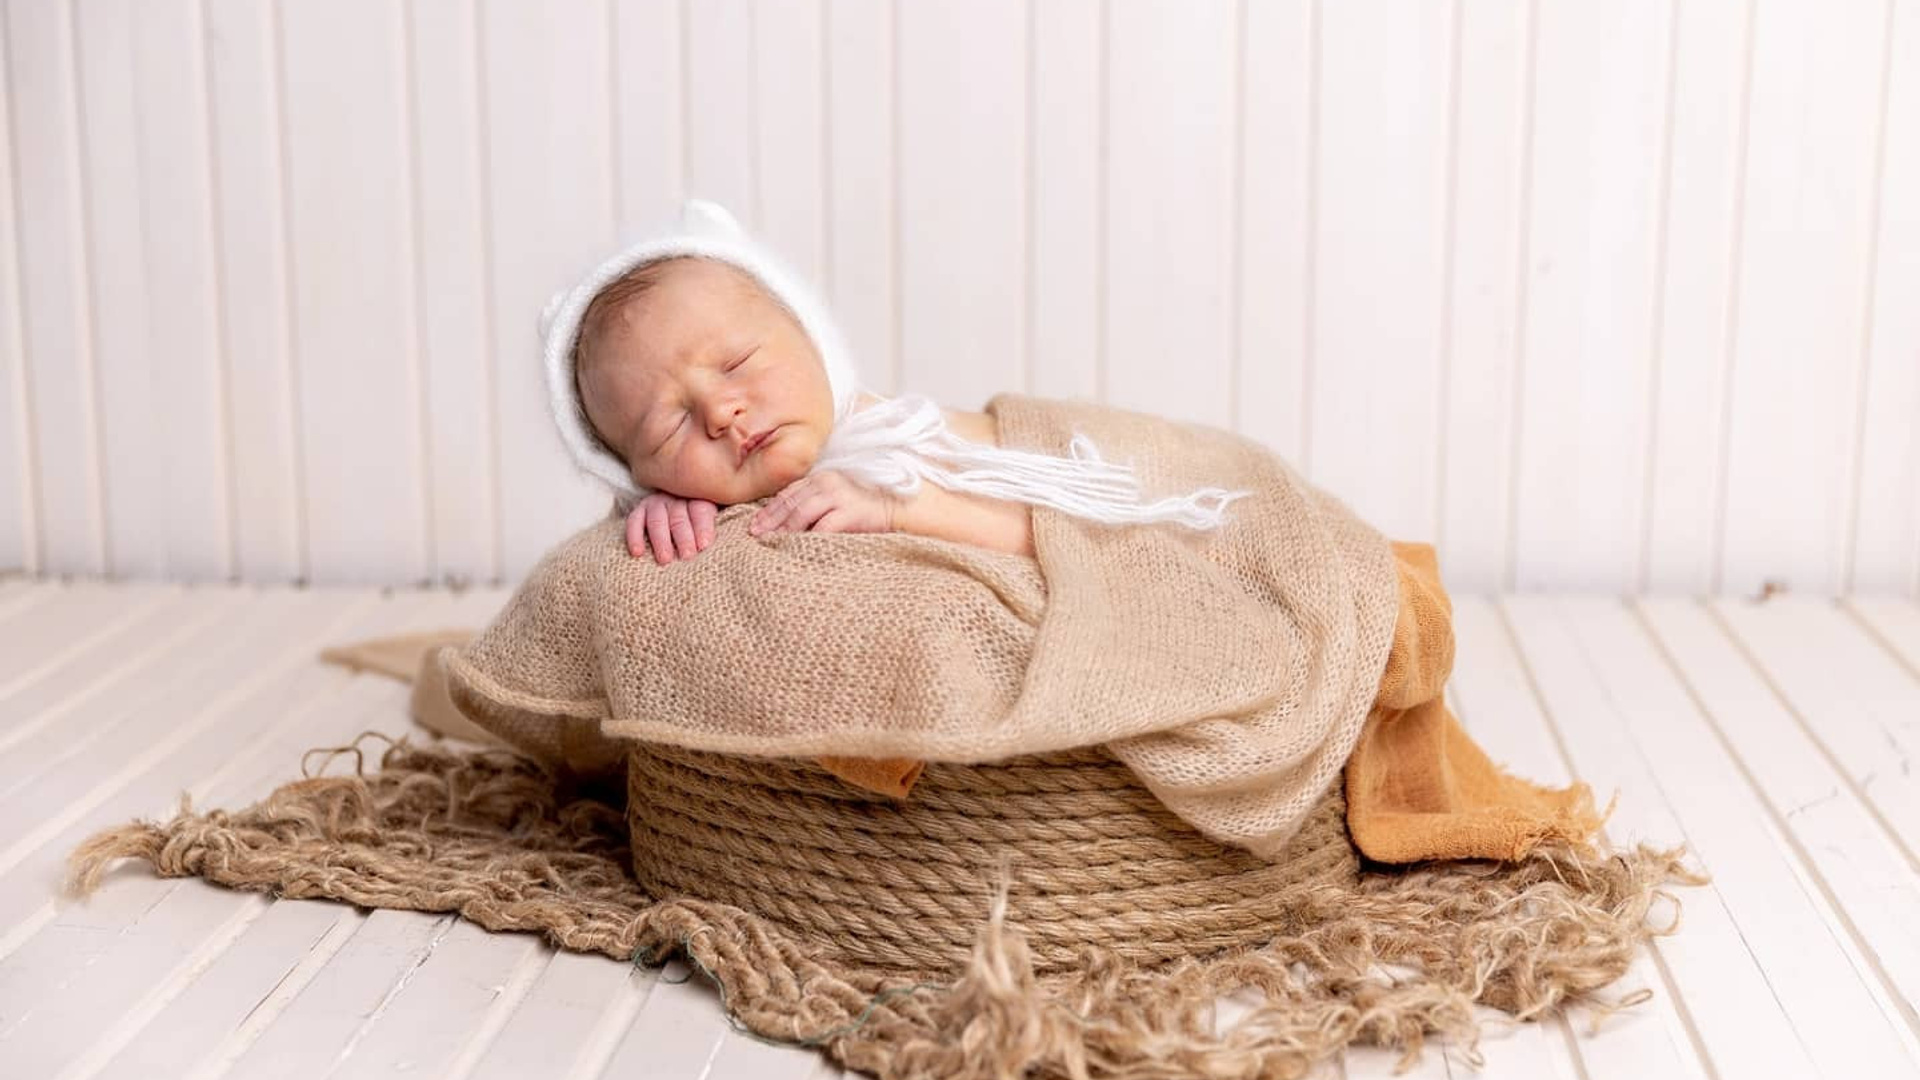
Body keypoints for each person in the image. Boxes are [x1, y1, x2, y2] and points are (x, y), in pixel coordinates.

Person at [542, 200, 1245, 566]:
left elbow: (1075, 542)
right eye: (667, 426)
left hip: (1195, 501)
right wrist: (649, 519)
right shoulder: (689, 510)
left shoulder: (902, 441)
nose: (722, 411)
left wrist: (900, 511)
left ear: (810, 339)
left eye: (735, 365)